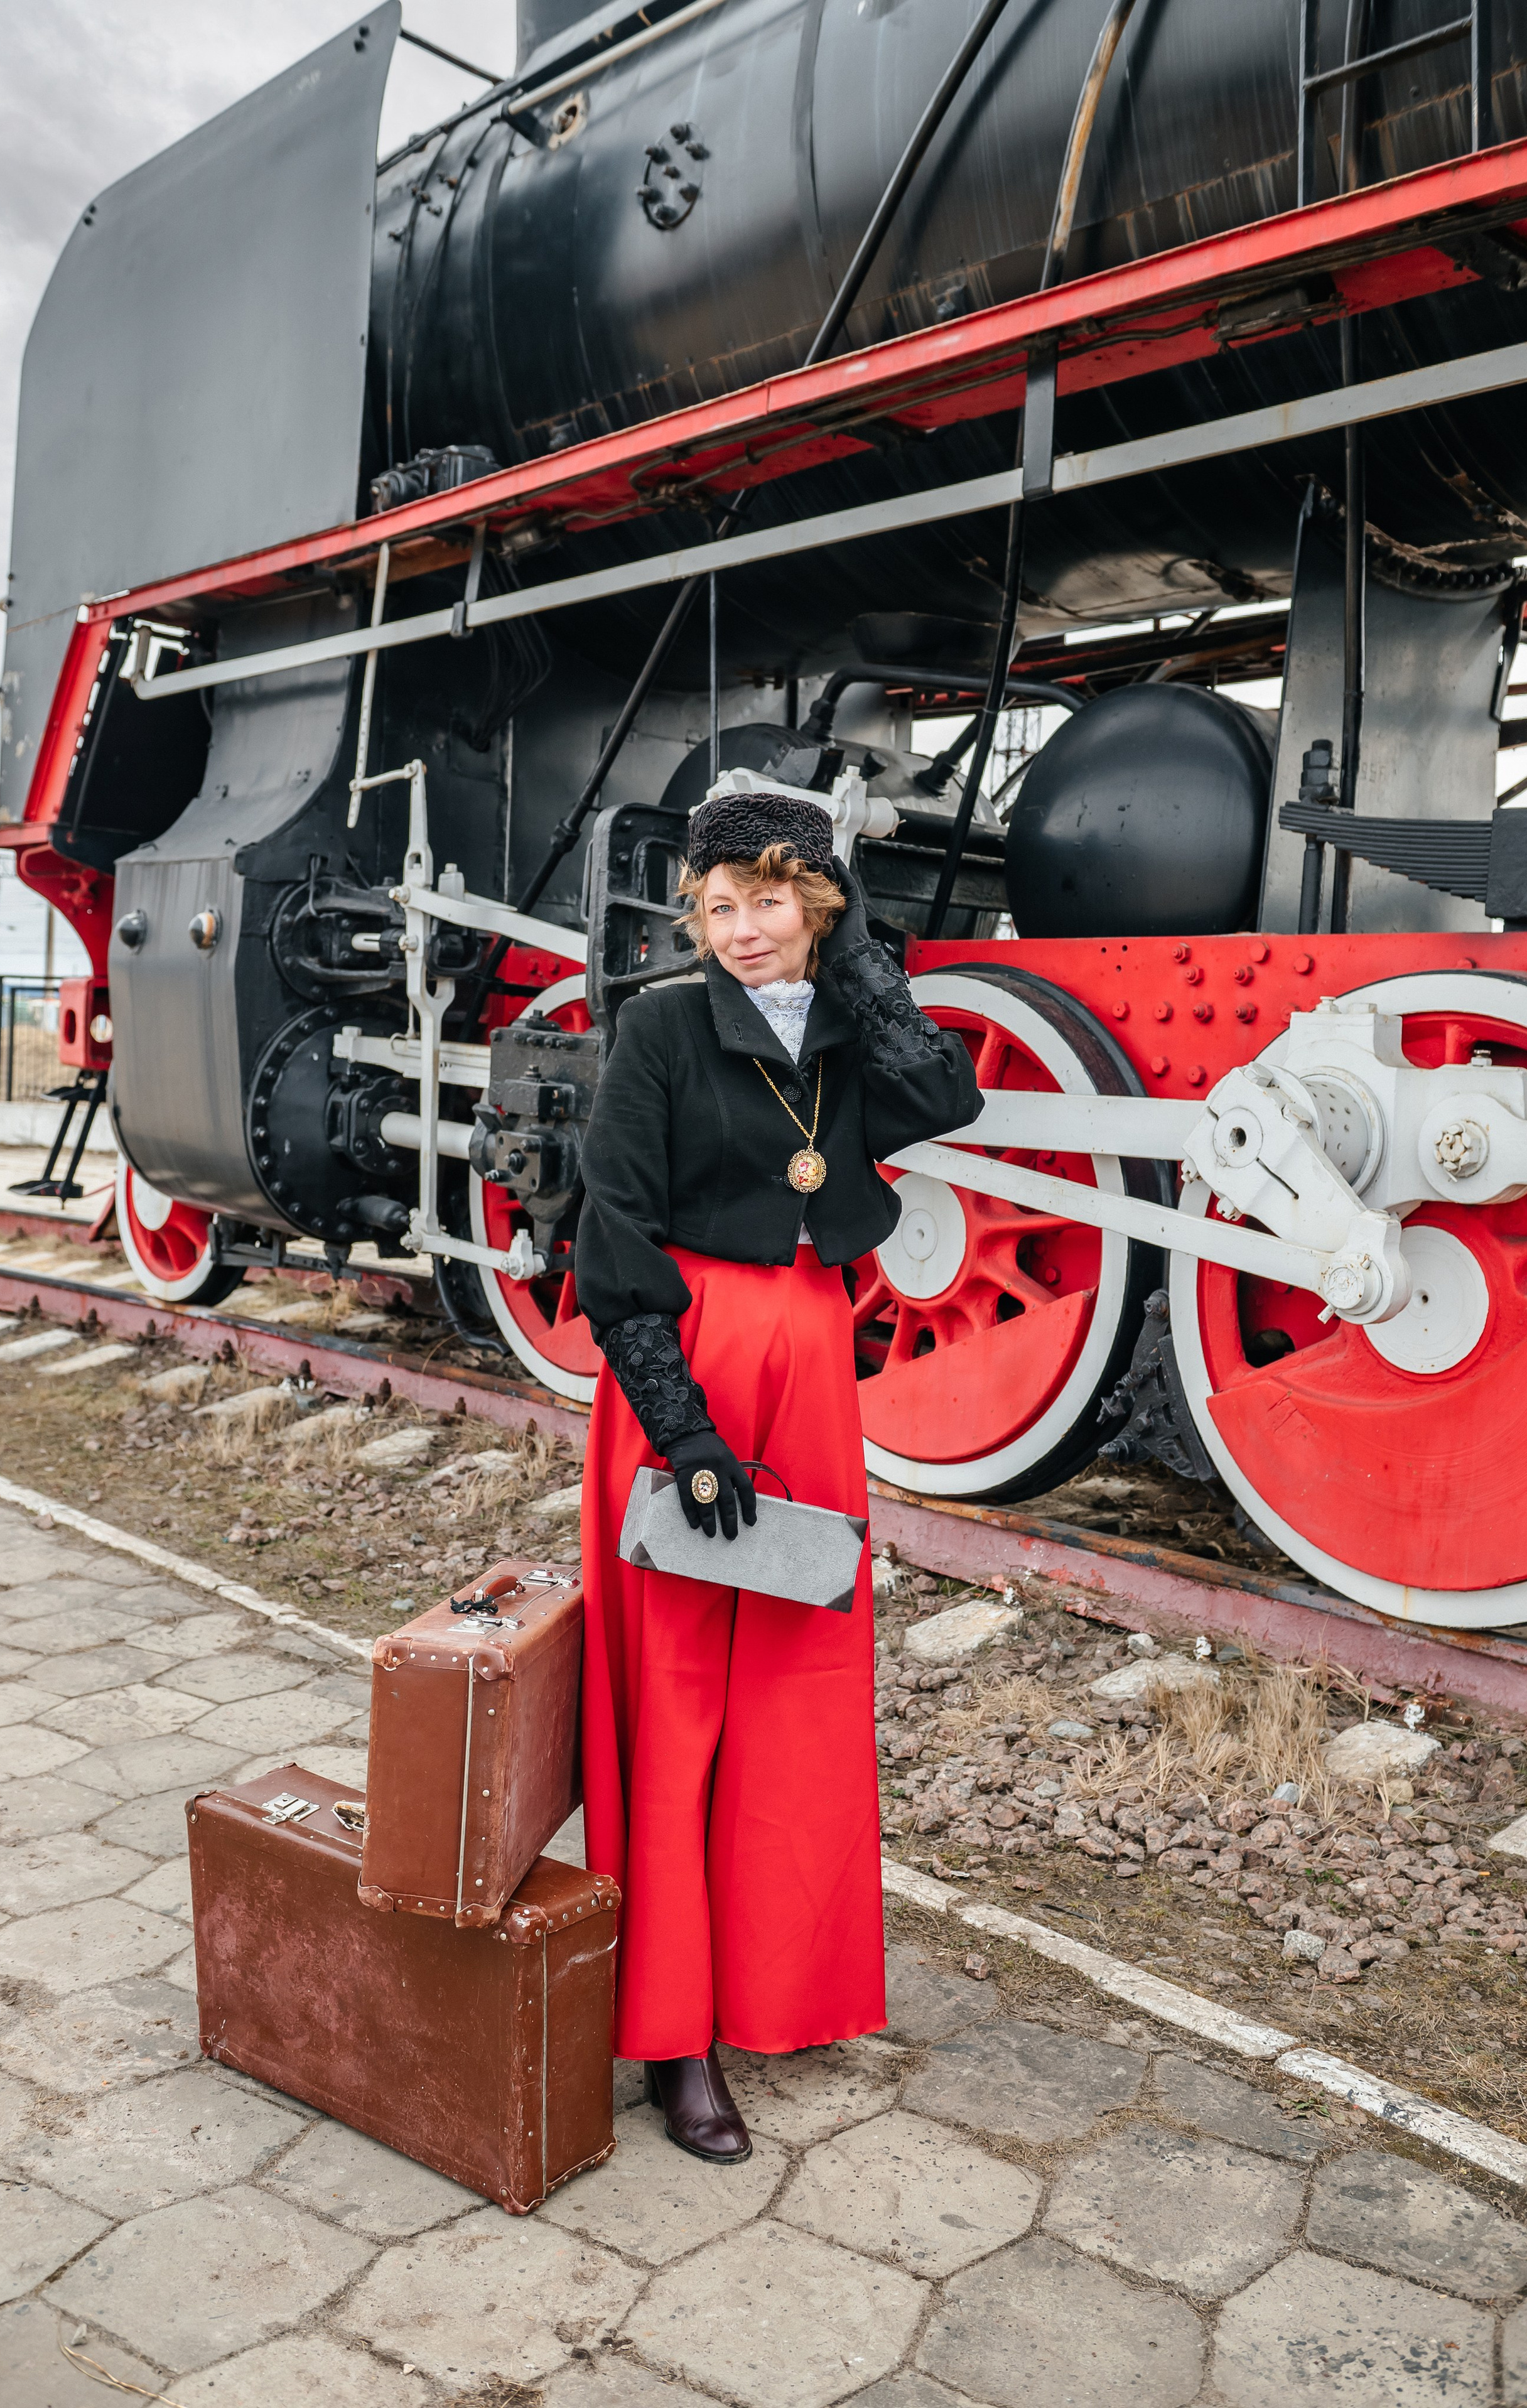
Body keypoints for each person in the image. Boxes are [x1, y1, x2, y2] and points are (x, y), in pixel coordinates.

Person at [573, 787, 982, 2162]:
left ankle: (777, 1990)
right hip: (685, 1365)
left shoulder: (847, 1024)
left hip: (810, 1360)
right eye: (720, 906)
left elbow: (944, 1093)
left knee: (797, 1690)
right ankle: (671, 2038)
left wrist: (863, 958)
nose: (743, 930)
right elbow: (612, 1229)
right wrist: (680, 1431)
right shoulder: (658, 1027)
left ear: (813, 902)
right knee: (679, 1704)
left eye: (770, 901)